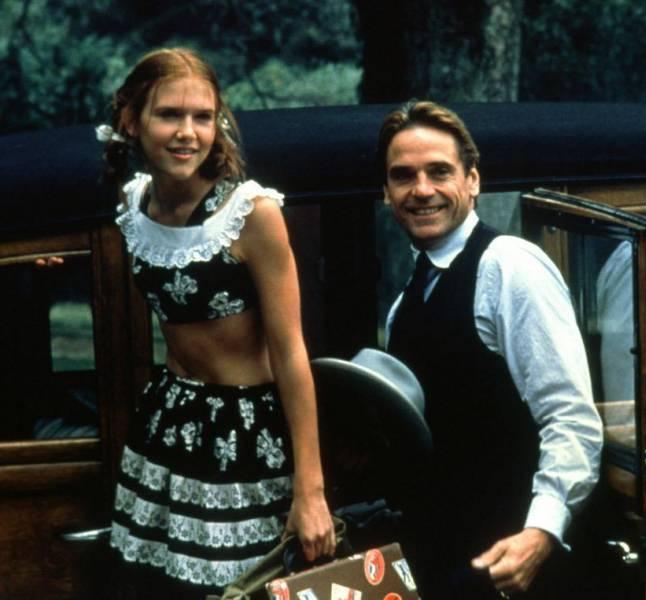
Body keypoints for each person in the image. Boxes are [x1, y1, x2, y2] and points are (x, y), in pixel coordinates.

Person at [97, 48, 335, 597]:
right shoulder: (135, 203)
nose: (188, 133)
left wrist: (311, 490)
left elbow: (291, 354)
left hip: (245, 434)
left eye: (202, 117)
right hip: (168, 423)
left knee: (240, 588)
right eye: (169, 115)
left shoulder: (250, 214)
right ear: (131, 120)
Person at [379, 100, 604, 598]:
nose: (421, 189)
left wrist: (540, 533)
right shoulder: (407, 298)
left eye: (439, 171)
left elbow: (571, 419)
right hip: (445, 564)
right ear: (386, 191)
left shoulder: (510, 267)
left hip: (513, 566)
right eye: (403, 176)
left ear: (473, 181)